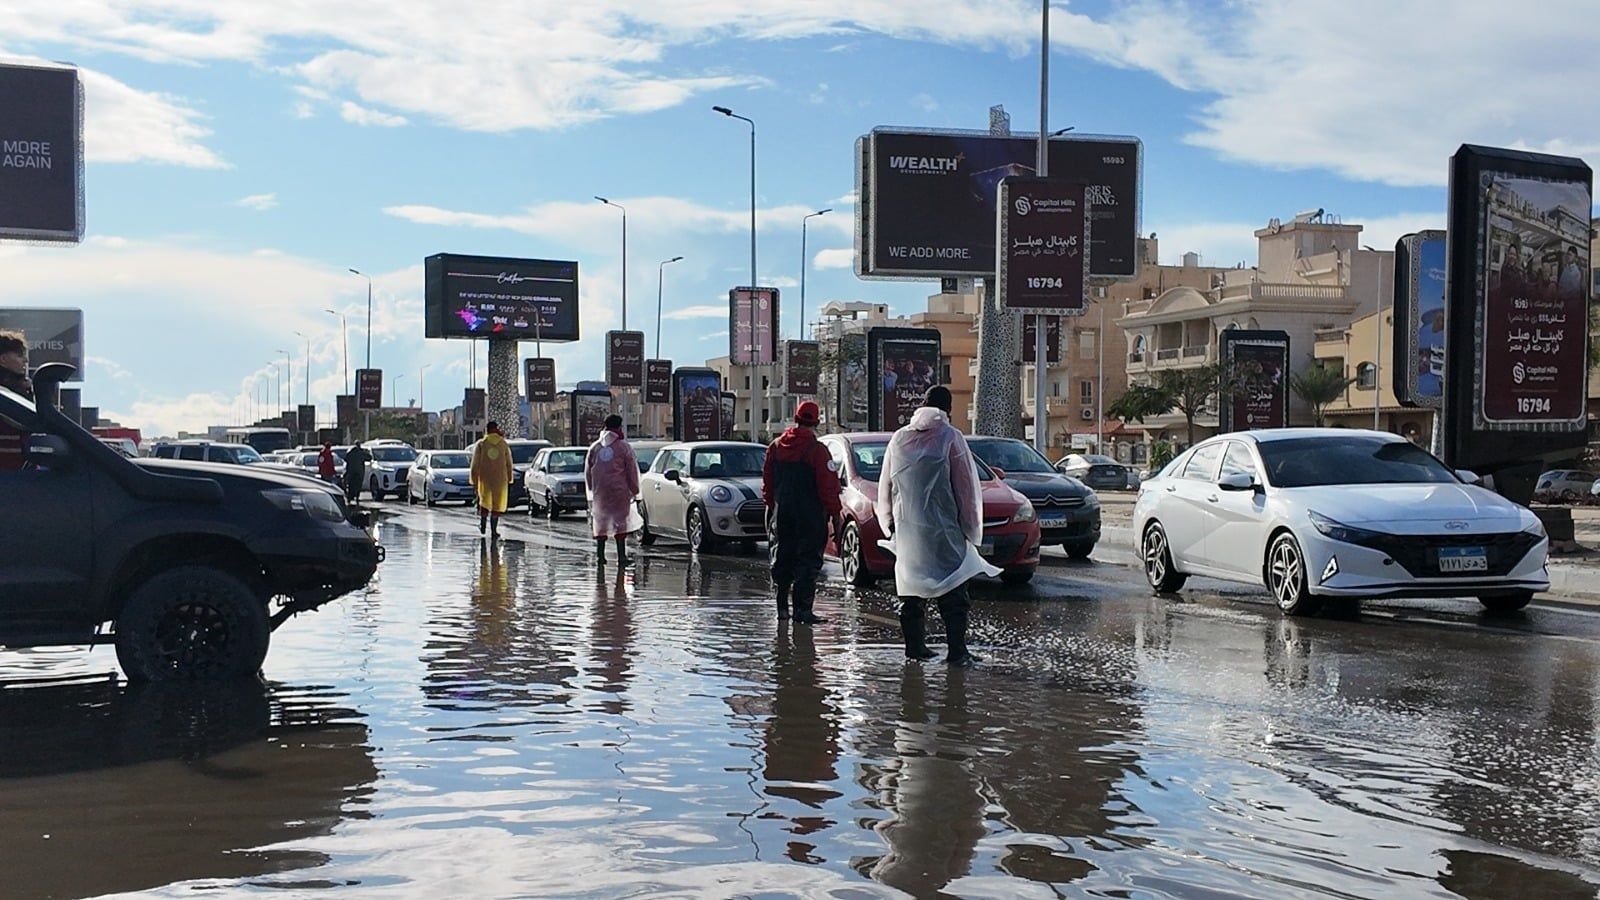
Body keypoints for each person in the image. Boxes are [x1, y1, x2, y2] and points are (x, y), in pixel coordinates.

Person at [876, 386, 1000, 666]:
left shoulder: (899, 438)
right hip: (945, 530)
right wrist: (971, 529)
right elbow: (966, 489)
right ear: (949, 409)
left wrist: (889, 523)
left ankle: (915, 649)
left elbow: (886, 486)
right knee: (954, 591)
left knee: (911, 590)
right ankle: (957, 652)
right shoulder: (950, 437)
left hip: (909, 531)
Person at [762, 399, 842, 625]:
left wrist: (771, 507)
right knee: (807, 562)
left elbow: (768, 483)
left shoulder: (775, 447)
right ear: (816, 421)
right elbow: (829, 488)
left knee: (783, 558)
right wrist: (835, 515)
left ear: (796, 418)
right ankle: (802, 611)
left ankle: (782, 608)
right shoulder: (818, 451)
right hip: (811, 517)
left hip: (783, 514)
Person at [585, 414, 641, 566]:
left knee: (600, 522)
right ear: (619, 427)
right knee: (620, 523)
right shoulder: (623, 447)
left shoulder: (595, 447)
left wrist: (592, 489)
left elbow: (588, 471)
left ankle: (600, 556)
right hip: (619, 491)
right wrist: (635, 489)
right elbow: (631, 470)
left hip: (600, 493)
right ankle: (621, 557)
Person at [470, 421, 515, 537]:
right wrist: (510, 478)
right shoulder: (503, 444)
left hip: (484, 479)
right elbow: (509, 463)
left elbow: (475, 464)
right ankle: (494, 530)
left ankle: (483, 524)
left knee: (484, 501)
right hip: (500, 480)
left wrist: (474, 480)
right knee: (497, 504)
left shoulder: (481, 444)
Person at [0, 330, 33, 472]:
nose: (25, 361)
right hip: (10, 474)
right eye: (20, 355)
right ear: (3, 359)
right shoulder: (8, 393)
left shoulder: (20, 390)